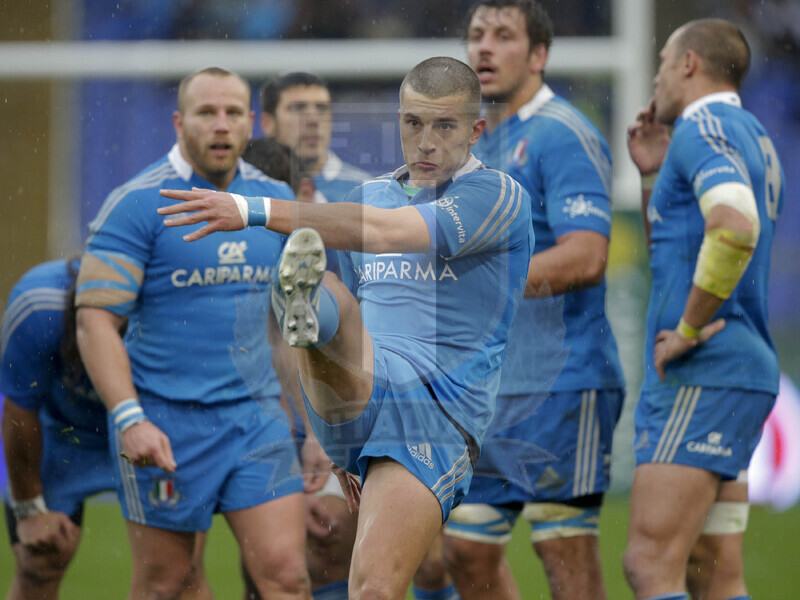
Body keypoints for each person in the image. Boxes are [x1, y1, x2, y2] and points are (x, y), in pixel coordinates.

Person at [158, 56, 535, 600]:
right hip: (359, 392)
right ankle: (301, 302)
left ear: (476, 130)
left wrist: (252, 208)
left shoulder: (496, 196)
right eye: (412, 123)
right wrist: (336, 442)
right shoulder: (372, 193)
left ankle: (305, 307)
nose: (426, 142)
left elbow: (384, 233)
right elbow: (364, 287)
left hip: (435, 417)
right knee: (329, 293)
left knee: (374, 588)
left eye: (444, 126)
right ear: (399, 121)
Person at [75, 67, 312, 599]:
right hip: (167, 427)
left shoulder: (272, 202)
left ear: (251, 123)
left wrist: (315, 428)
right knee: (167, 585)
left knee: (289, 577)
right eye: (207, 113)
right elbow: (95, 322)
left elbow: (287, 327)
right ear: (179, 122)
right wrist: (130, 418)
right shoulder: (138, 202)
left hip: (256, 422)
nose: (221, 125)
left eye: (233, 112)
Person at [441, 2, 625, 599]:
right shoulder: (475, 148)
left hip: (563, 381)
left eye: (503, 36)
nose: (484, 49)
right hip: (492, 388)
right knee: (464, 550)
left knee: (562, 551)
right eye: (475, 36)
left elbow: (586, 256)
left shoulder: (560, 133)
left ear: (539, 55)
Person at [625, 18, 784, 600]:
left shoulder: (702, 126)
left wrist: (689, 328)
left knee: (649, 564)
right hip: (739, 373)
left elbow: (734, 228)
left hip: (704, 373)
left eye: (664, 61)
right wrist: (652, 179)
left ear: (689, 64)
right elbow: (682, 246)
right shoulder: (755, 136)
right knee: (712, 573)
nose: (658, 76)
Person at [1, 258, 117, 600]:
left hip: (149, 433)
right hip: (62, 435)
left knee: (173, 575)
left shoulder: (168, 302)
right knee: (38, 565)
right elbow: (19, 408)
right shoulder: (39, 305)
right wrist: (29, 508)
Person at [259, 72, 371, 205]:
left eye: (322, 108)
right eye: (298, 108)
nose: (313, 120)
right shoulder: (244, 188)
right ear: (268, 123)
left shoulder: (366, 192)